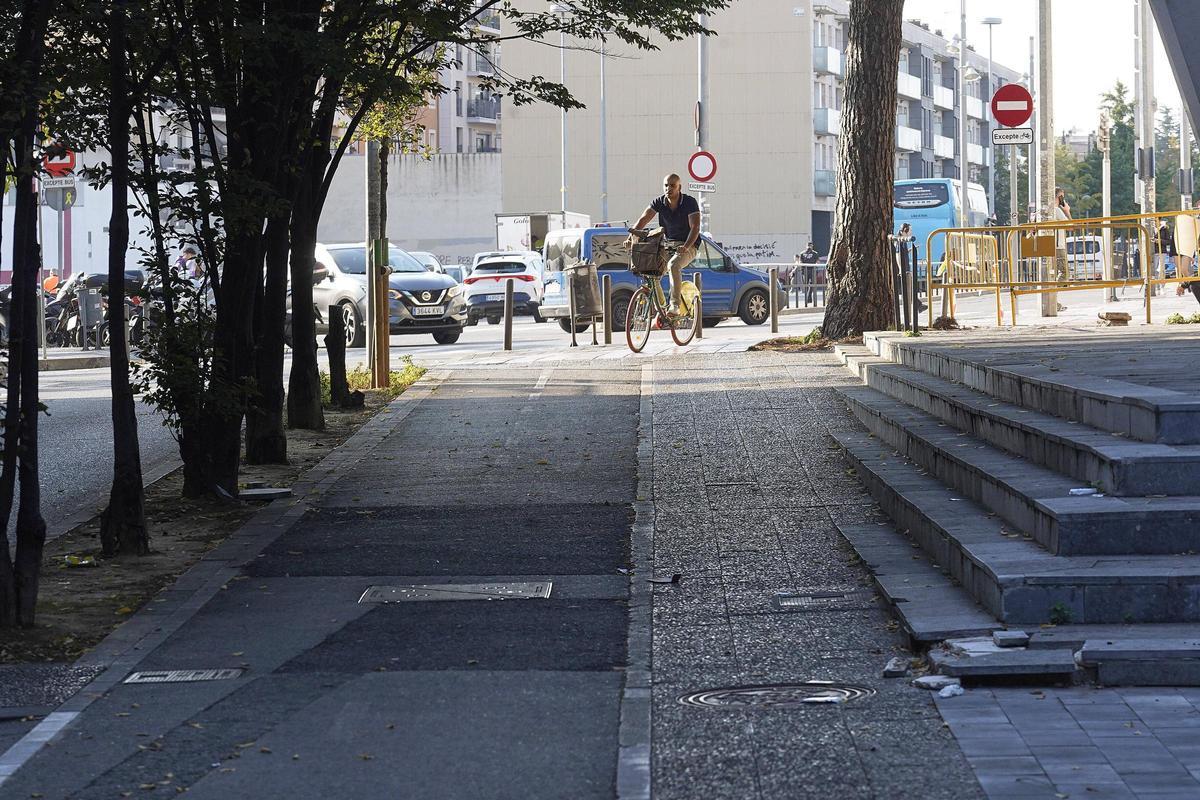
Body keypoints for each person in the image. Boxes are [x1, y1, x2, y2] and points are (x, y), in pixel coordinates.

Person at [627, 173, 700, 315]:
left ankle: (675, 306)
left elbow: (695, 227)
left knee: (673, 265)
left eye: (673, 185)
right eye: (666, 185)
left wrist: (685, 246)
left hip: (688, 244)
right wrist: (631, 237)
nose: (669, 188)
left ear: (680, 187)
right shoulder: (659, 202)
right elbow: (643, 219)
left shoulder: (689, 202)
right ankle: (662, 308)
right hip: (668, 244)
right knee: (650, 271)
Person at [799, 240, 821, 306]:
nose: (809, 247)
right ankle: (808, 297)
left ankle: (808, 297)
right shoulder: (813, 253)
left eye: (809, 246)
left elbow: (800, 262)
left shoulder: (803, 253)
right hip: (809, 270)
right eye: (809, 246)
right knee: (809, 284)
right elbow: (818, 262)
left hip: (808, 270)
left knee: (808, 284)